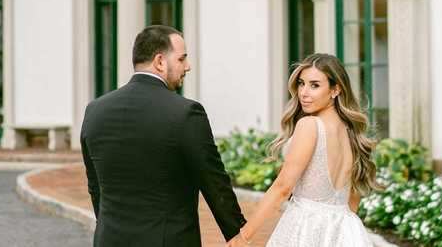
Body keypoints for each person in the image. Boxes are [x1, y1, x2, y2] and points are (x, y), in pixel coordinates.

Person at [80, 25, 246, 246]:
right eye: (181, 59)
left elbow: (95, 187)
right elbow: (214, 182)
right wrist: (237, 233)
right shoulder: (186, 113)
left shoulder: (95, 110)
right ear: (160, 61)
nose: (188, 66)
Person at [227, 53, 378, 247]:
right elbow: (353, 199)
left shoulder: (310, 126)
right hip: (346, 230)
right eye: (301, 83)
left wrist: (243, 237)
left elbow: (283, 187)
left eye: (314, 85)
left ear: (335, 90)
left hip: (306, 228)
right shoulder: (352, 133)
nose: (304, 93)